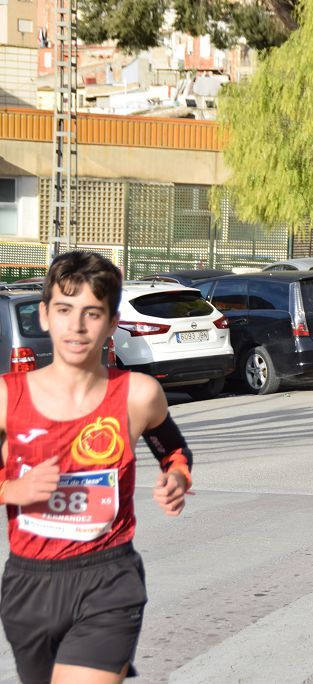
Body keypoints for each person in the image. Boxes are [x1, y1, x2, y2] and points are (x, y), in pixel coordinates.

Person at [0, 251, 193, 684]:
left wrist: (176, 478)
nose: (77, 326)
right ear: (45, 315)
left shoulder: (138, 395)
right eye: (65, 310)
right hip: (29, 584)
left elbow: (174, 452)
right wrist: (10, 490)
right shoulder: (5, 397)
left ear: (110, 323)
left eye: (93, 313)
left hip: (109, 578)